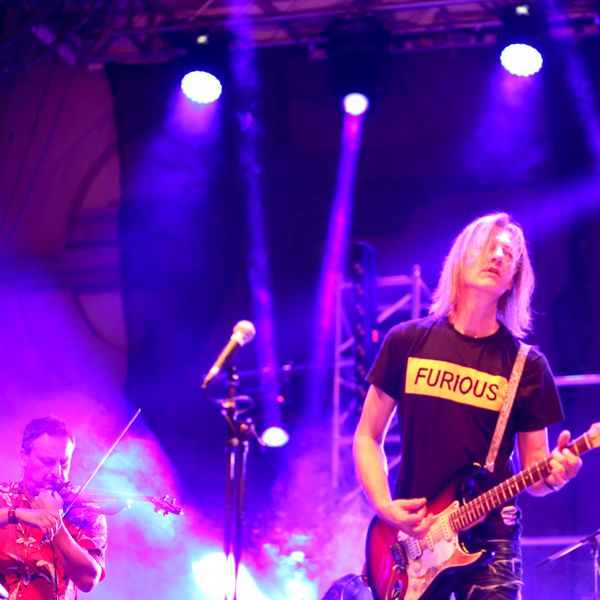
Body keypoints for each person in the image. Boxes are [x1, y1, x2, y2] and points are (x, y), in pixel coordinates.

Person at [353, 212, 583, 599]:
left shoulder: (526, 365)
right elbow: (367, 436)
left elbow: (536, 473)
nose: (498, 256)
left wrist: (556, 475)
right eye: (488, 246)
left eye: (508, 254)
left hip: (491, 542)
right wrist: (383, 505)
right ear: (461, 258)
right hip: (412, 541)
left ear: (513, 280)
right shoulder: (406, 341)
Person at [0, 417, 107, 599]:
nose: (57, 473)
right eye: (47, 462)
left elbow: (88, 580)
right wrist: (16, 514)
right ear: (24, 457)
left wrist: (56, 523)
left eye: (64, 463)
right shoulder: (3, 497)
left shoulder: (85, 513)